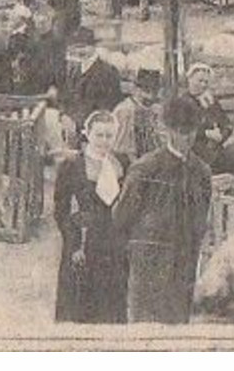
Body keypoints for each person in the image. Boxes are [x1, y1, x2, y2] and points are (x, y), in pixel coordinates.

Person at [111, 95, 213, 324]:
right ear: (168, 130)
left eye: (191, 131)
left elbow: (201, 218)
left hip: (183, 265)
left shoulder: (201, 172)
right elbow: (121, 217)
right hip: (148, 265)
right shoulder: (146, 168)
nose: (186, 138)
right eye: (180, 131)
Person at [54, 109, 131, 323]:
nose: (104, 141)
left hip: (113, 241)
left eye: (109, 136)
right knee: (80, 304)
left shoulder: (120, 164)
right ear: (87, 133)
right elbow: (61, 210)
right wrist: (73, 241)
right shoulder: (72, 165)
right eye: (99, 135)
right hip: (83, 241)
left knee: (110, 304)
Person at [185, 64, 234, 181]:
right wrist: (206, 134)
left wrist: (221, 135)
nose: (203, 85)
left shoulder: (210, 101)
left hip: (215, 149)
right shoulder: (182, 102)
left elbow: (226, 124)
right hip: (194, 152)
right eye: (200, 80)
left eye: (206, 82)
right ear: (190, 79)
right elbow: (182, 129)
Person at [111, 69, 163, 160]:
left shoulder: (157, 110)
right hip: (128, 160)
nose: (151, 95)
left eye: (154, 90)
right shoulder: (124, 110)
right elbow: (118, 147)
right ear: (136, 89)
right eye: (146, 90)